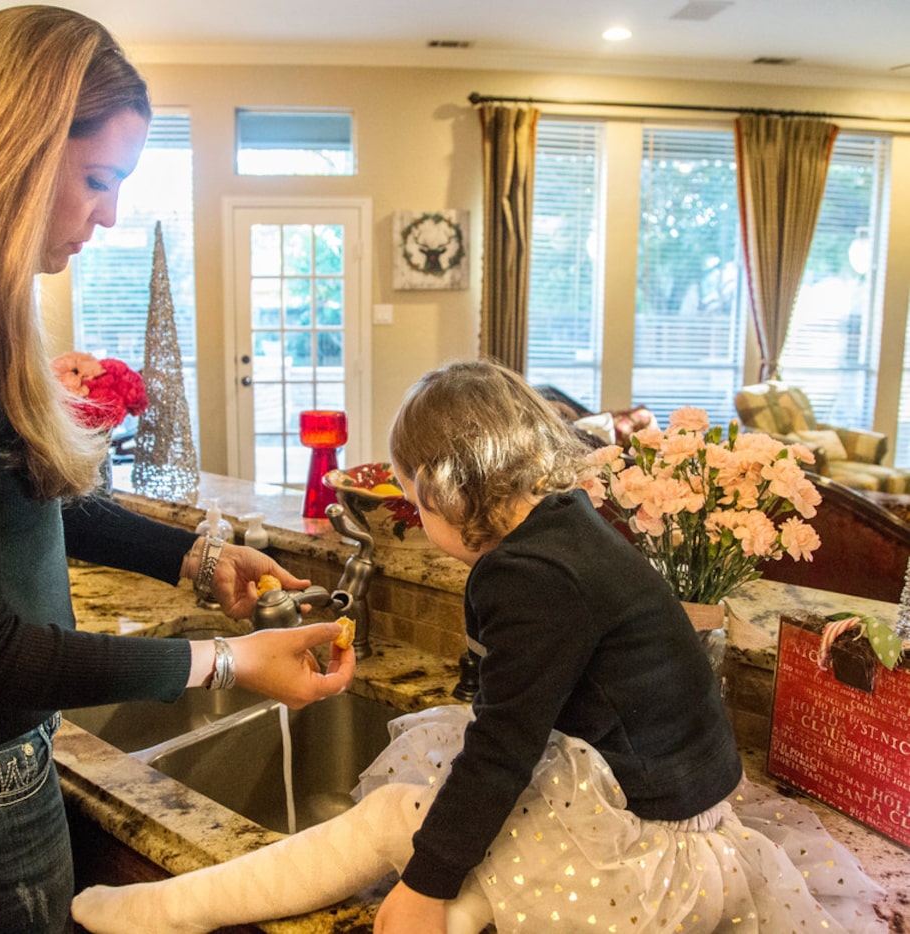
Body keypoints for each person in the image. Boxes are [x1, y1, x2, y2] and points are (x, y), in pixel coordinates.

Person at [0, 7, 354, 933]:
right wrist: (225, 663)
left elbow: (25, 491)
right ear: (14, 151)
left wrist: (196, 560)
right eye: (97, 179)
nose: (110, 213)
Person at [71, 359, 886, 934]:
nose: (418, 523)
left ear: (445, 489)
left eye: (413, 499)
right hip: (681, 819)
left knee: (397, 819)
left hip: (643, 855)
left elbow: (500, 749)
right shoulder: (568, 529)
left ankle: (166, 911)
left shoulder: (524, 577)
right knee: (451, 827)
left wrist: (425, 884)